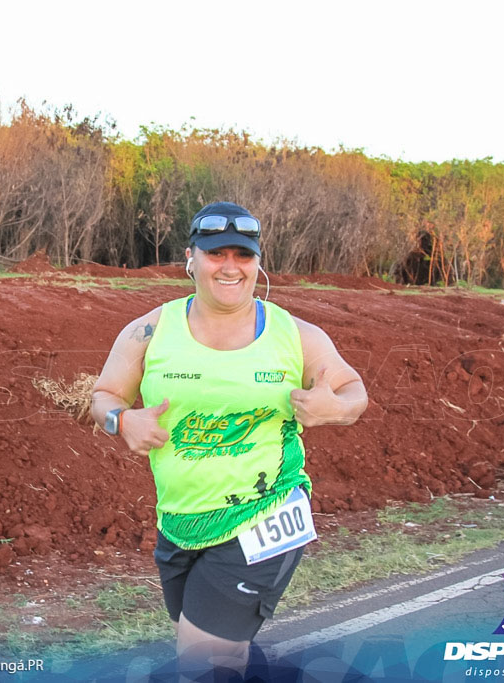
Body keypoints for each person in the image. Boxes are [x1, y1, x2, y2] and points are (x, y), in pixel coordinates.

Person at [90, 201, 368, 681]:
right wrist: (122, 421)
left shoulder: (293, 334)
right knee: (214, 649)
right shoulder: (149, 331)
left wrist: (335, 409)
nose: (231, 266)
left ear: (258, 262)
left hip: (266, 512)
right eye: (217, 254)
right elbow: (104, 395)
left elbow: (352, 391)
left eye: (244, 255)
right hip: (180, 521)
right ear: (191, 259)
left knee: (201, 658)